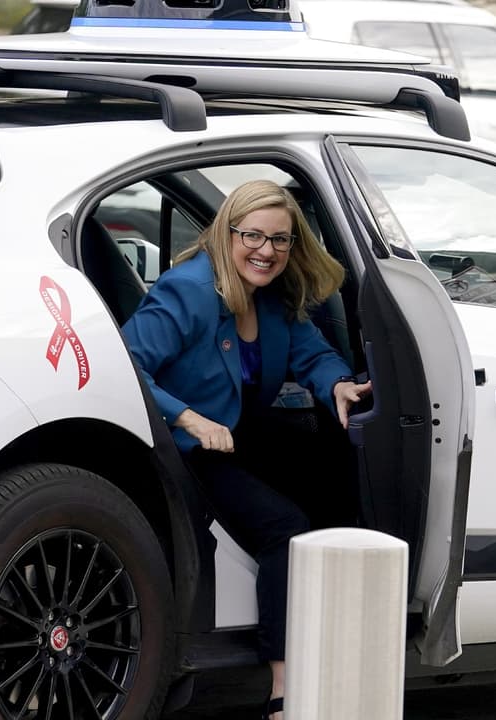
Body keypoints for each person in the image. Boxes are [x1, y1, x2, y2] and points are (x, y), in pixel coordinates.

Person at [121, 179, 372, 720]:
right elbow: (123, 365)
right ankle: (282, 690)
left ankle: (338, 632)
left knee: (340, 474)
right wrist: (187, 417)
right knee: (284, 528)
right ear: (226, 233)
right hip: (184, 448)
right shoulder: (189, 291)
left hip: (238, 435)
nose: (267, 250)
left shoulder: (274, 297)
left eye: (280, 239)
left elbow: (313, 353)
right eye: (252, 236)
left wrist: (337, 385)